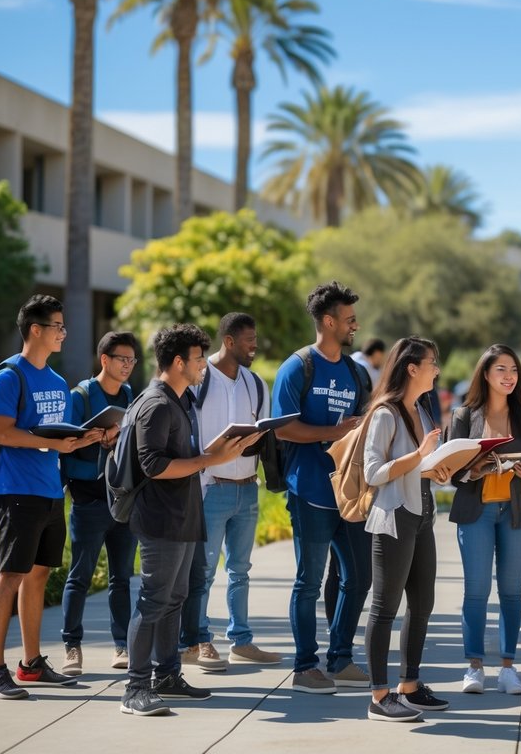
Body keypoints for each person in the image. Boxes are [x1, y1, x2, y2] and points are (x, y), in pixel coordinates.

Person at [121, 324, 259, 717]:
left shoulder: (179, 399)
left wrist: (220, 449)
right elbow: (152, 465)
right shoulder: (156, 403)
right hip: (160, 519)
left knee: (174, 600)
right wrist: (209, 461)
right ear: (179, 361)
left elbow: (183, 454)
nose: (204, 365)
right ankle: (135, 688)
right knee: (153, 600)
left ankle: (167, 676)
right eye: (199, 358)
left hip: (183, 514)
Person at [0, 295, 101, 699]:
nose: (63, 334)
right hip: (16, 489)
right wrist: (53, 445)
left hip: (50, 489)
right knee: (11, 574)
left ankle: (30, 664)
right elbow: (3, 432)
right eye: (58, 327)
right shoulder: (9, 376)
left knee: (39, 574)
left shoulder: (55, 381)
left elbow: (55, 435)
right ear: (36, 329)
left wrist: (87, 437)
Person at [273, 281, 374, 694]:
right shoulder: (297, 367)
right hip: (310, 491)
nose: (356, 325)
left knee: (359, 577)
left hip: (349, 494)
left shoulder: (356, 372)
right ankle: (304, 667)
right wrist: (333, 430)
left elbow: (365, 422)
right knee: (309, 582)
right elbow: (281, 429)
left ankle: (341, 658)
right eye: (349, 319)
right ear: (328, 321)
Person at [179, 313, 281, 670]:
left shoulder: (256, 384)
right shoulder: (199, 379)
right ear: (230, 341)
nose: (255, 346)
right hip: (210, 488)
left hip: (246, 489)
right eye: (250, 340)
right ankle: (198, 640)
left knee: (241, 569)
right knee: (203, 571)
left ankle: (241, 640)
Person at [362, 336, 453, 722]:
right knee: (385, 607)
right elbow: (373, 472)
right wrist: (418, 457)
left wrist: (438, 467)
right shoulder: (386, 413)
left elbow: (419, 467)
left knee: (423, 604)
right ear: (412, 367)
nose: (437, 368)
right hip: (395, 517)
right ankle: (379, 697)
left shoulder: (422, 410)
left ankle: (409, 687)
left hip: (423, 514)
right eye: (432, 362)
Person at [449, 344, 521, 697]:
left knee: (511, 591)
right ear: (486, 374)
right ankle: (474, 666)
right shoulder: (463, 416)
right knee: (476, 591)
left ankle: (508, 667)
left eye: (514, 370)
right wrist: (473, 471)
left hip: (517, 511)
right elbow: (450, 472)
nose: (509, 376)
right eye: (501, 370)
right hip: (476, 511)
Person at [60, 331, 139, 677]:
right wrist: (92, 438)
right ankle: (71, 646)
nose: (127, 366)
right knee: (80, 576)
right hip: (89, 498)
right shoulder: (80, 395)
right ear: (104, 359)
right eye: (122, 359)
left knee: (121, 578)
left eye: (132, 360)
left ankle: (122, 645)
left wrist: (119, 437)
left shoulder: (128, 395)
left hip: (121, 498)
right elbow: (62, 441)